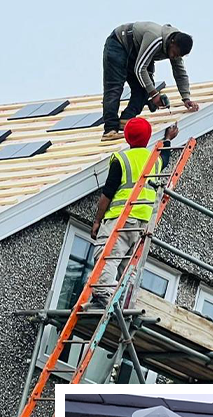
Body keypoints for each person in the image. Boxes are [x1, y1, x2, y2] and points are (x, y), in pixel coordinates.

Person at [89, 117, 179, 307]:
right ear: (147, 139)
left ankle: (102, 296)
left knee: (108, 255)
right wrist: (168, 139)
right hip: (143, 221)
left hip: (121, 217)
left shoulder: (122, 159)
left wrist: (97, 220)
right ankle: (120, 301)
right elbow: (165, 159)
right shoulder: (153, 160)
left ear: (128, 138)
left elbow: (107, 194)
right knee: (125, 263)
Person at [101, 21, 199, 141]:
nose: (174, 57)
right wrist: (154, 94)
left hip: (136, 52)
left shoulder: (176, 47)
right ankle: (110, 129)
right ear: (172, 42)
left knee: (144, 89)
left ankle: (125, 120)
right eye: (174, 54)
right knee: (115, 87)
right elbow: (140, 69)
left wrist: (186, 98)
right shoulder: (155, 38)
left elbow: (180, 74)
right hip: (118, 45)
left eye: (178, 56)